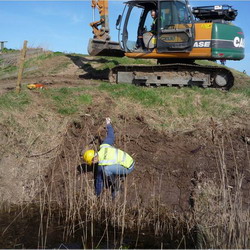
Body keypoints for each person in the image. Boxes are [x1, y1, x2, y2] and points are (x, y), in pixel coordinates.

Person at [83, 118, 135, 198]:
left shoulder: (102, 163)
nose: (92, 164)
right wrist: (108, 124)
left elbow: (99, 179)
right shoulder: (104, 146)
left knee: (106, 169)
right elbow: (111, 136)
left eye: (91, 162)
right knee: (109, 168)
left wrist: (97, 194)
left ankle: (117, 187)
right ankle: (119, 174)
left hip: (129, 167)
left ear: (93, 159)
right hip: (129, 160)